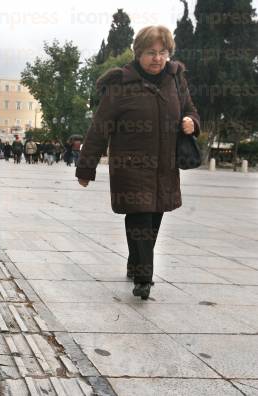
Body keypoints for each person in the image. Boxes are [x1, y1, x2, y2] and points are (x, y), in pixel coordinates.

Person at [76, 26, 199, 300]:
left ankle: (136, 263)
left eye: (162, 52)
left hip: (164, 167)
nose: (157, 58)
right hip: (130, 167)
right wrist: (86, 168)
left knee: (153, 219)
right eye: (150, 53)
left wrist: (193, 122)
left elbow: (190, 109)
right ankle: (144, 279)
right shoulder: (120, 84)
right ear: (138, 53)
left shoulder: (176, 79)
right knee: (141, 217)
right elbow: (99, 128)